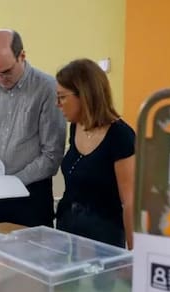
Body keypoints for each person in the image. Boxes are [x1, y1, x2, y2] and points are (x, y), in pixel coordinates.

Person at [0, 29, 66, 227]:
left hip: (31, 196)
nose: (0, 79)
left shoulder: (47, 88)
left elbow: (51, 156)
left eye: (6, 72)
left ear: (22, 56)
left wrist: (8, 184)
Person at [54, 58, 135, 249]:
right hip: (68, 233)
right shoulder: (76, 127)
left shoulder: (121, 136)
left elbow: (130, 202)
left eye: (62, 97)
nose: (58, 104)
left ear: (84, 95)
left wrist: (134, 253)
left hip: (102, 240)